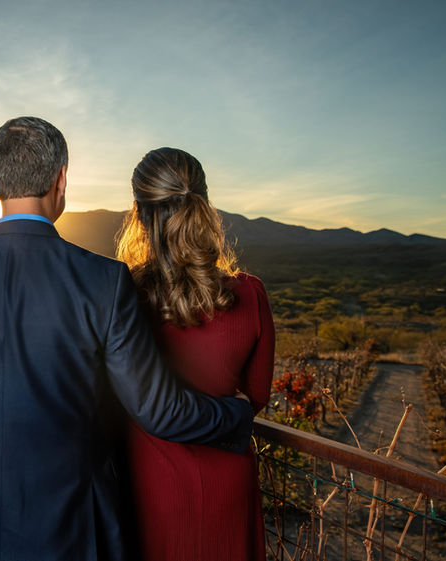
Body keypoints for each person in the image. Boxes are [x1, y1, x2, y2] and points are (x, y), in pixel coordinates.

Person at [0, 117, 253, 561]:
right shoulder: (105, 281)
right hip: (70, 533)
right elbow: (159, 410)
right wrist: (236, 414)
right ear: (62, 181)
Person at [117, 147, 275, 560]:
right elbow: (255, 396)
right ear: (205, 203)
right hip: (228, 483)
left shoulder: (124, 295)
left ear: (138, 212)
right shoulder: (250, 293)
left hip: (148, 484)